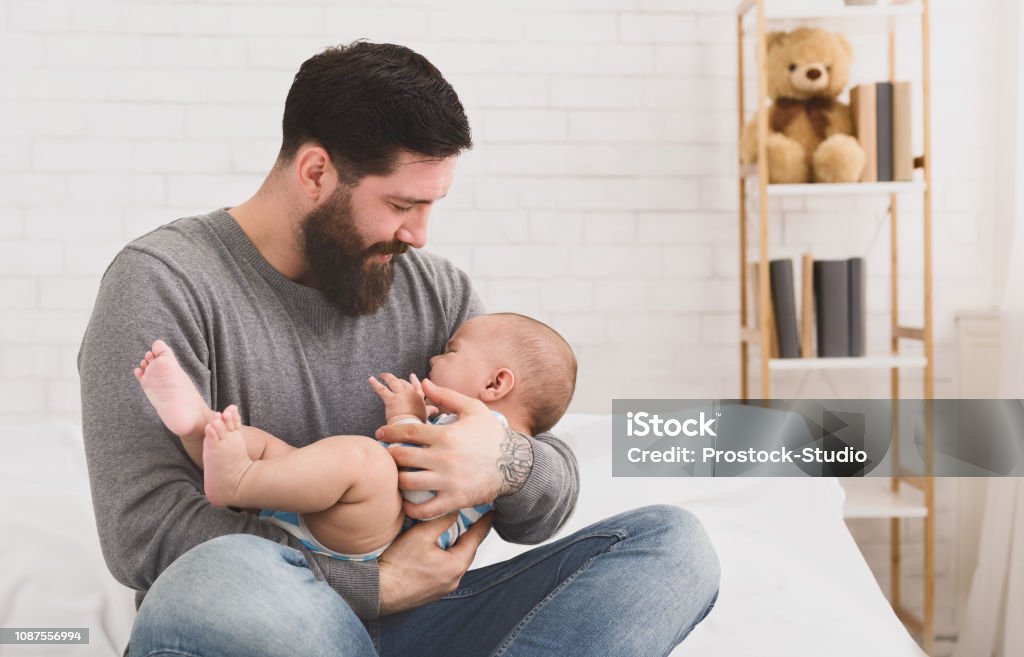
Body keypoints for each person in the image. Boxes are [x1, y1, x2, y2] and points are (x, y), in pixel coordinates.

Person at [79, 41, 720, 656]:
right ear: (315, 172)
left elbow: (540, 502)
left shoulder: (435, 290)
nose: (418, 233)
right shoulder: (163, 280)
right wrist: (378, 586)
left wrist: (507, 460)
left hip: (424, 629)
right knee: (230, 570)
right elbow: (144, 533)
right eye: (401, 204)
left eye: (431, 205)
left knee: (672, 545)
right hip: (259, 625)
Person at [132, 312, 577, 559]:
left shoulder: (488, 438)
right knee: (272, 449)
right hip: (343, 523)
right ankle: (197, 426)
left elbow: (421, 499)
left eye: (450, 351)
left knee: (366, 460)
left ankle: (239, 482)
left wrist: (406, 420)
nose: (435, 358)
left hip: (387, 540)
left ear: (496, 385)